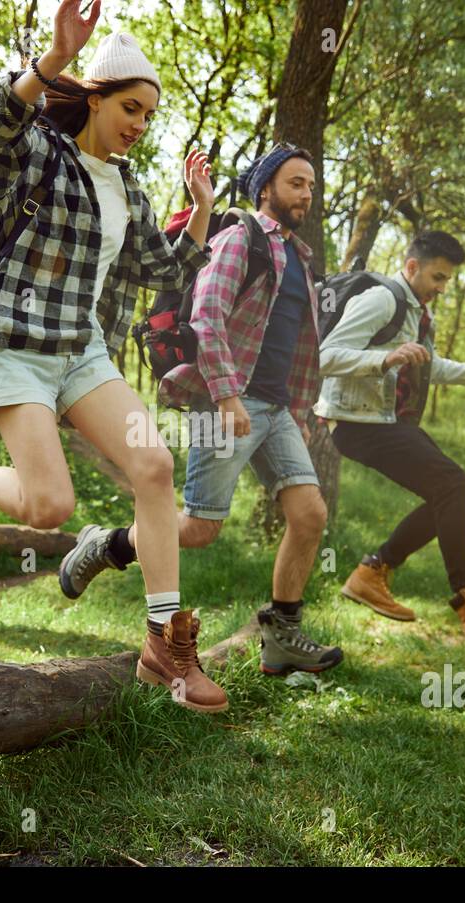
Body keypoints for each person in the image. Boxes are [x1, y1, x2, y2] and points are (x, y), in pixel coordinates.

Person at [0, 0, 228, 712]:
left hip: (82, 351)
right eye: (130, 106)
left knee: (154, 466)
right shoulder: (40, 154)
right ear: (95, 97)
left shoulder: (129, 188)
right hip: (17, 345)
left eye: (149, 115)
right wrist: (54, 58)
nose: (138, 123)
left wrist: (203, 207)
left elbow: (170, 273)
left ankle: (164, 644)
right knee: (48, 505)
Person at [59, 144, 342, 677]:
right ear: (266, 190)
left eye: (310, 184)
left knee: (310, 515)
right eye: (296, 183)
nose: (307, 193)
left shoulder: (300, 258)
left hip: (278, 409)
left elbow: (301, 343)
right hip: (223, 399)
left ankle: (281, 635)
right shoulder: (241, 237)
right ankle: (105, 545)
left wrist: (300, 409)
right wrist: (229, 395)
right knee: (200, 528)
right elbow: (207, 318)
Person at [315, 229, 465, 646]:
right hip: (356, 422)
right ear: (413, 267)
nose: (441, 288)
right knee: (452, 484)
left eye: (447, 281)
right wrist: (385, 358)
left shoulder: (418, 313)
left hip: (384, 422)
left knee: (449, 491)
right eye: (437, 278)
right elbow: (325, 356)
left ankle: (373, 572)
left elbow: (428, 365)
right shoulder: (383, 299)